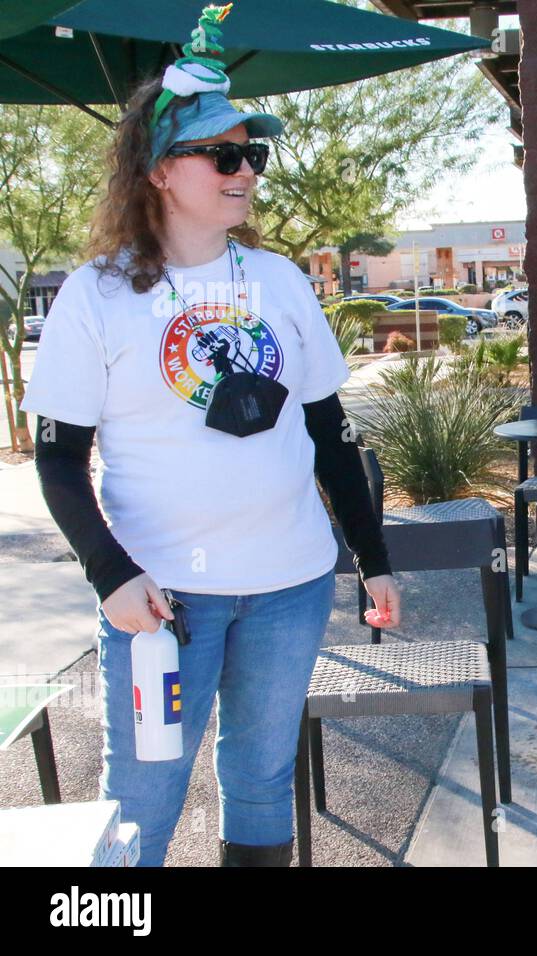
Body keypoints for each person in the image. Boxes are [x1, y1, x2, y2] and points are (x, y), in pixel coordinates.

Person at [20, 7, 399, 867]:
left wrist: (372, 557)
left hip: (291, 584)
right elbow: (56, 457)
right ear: (158, 170)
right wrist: (109, 573)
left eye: (252, 155)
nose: (245, 172)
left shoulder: (279, 281)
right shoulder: (96, 295)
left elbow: (330, 433)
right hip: (162, 606)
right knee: (144, 800)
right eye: (222, 155)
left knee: (262, 780)